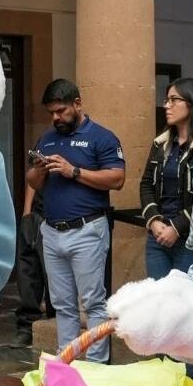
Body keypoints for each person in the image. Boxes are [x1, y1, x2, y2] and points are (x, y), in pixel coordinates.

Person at [27, 78, 125, 363]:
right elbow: (32, 181)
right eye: (52, 113)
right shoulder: (47, 138)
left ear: (77, 104)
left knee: (93, 302)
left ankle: (95, 366)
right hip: (52, 231)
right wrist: (40, 169)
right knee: (62, 304)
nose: (56, 118)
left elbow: (117, 179)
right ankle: (66, 362)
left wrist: (74, 171)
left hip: (87, 230)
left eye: (61, 111)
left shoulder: (102, 137)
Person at [140, 77, 193, 279]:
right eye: (166, 100)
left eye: (173, 100)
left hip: (191, 240)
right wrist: (154, 221)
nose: (167, 106)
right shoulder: (161, 144)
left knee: (185, 303)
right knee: (159, 301)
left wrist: (177, 227)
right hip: (158, 237)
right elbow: (145, 184)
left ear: (192, 101)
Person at [10, 184, 50, 348]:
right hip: (36, 213)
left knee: (53, 276)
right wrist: (27, 213)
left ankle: (53, 325)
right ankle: (26, 326)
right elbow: (32, 178)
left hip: (60, 216)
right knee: (27, 271)